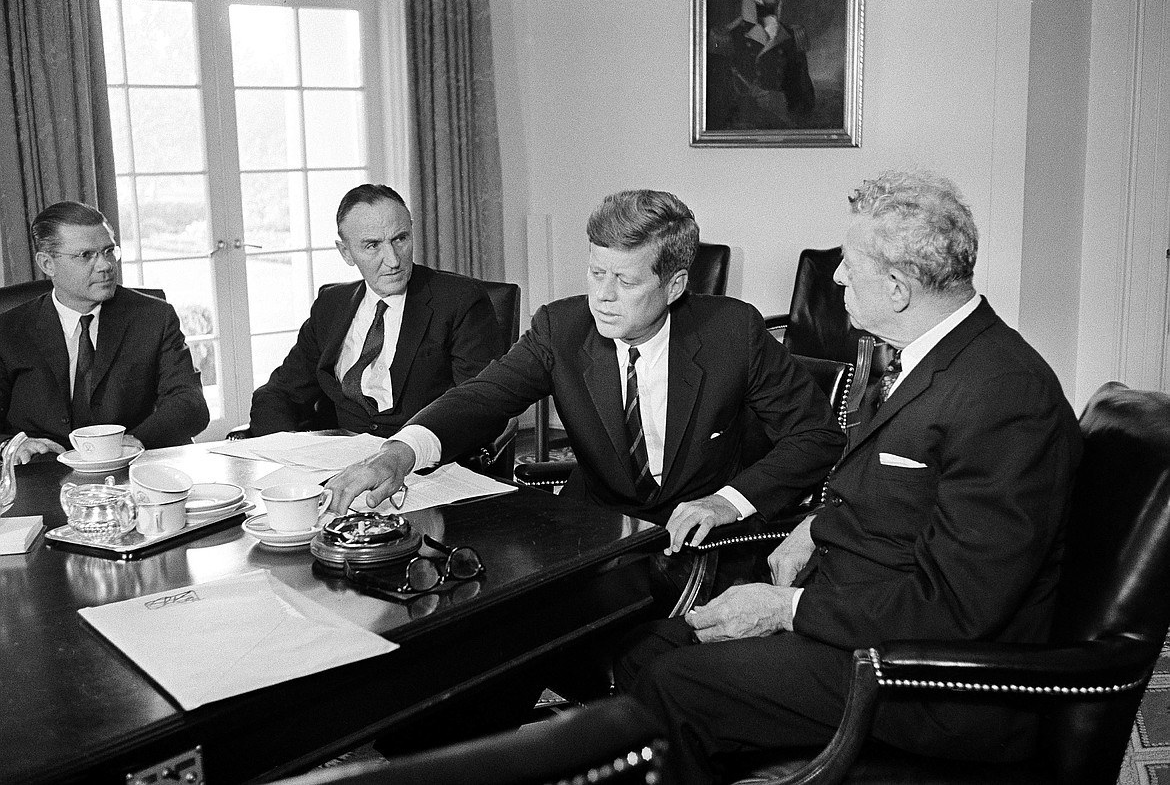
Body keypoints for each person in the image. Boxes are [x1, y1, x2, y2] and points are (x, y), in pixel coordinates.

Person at [614, 170, 1083, 785]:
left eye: (848, 261)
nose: (833, 276)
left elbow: (960, 610)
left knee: (674, 687)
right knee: (648, 648)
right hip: (862, 623)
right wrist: (816, 525)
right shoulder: (934, 358)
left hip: (922, 683)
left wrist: (788, 608)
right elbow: (903, 499)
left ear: (896, 287)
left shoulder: (1005, 396)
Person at [327, 188, 844, 543]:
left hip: (702, 535)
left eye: (626, 280)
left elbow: (816, 437)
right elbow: (481, 398)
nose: (603, 296)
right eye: (597, 272)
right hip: (596, 527)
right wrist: (398, 455)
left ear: (676, 285)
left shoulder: (733, 331)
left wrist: (730, 501)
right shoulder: (562, 326)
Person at [248, 184, 503, 439]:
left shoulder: (460, 300)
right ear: (346, 252)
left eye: (400, 239)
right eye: (372, 245)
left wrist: (407, 451)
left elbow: (479, 406)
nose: (393, 260)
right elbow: (278, 393)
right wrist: (284, 453)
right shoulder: (331, 304)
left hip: (421, 462)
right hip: (338, 460)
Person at [0, 201, 210, 464]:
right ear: (47, 263)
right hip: (41, 471)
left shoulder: (153, 317)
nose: (105, 266)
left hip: (129, 466)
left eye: (109, 251)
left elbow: (191, 405)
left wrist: (137, 440)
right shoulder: (9, 330)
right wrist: (12, 445)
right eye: (86, 255)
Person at [706, 0, 817, 130]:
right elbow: (716, 110)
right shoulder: (725, 38)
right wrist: (750, 104)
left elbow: (806, 104)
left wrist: (783, 102)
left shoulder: (792, 36)